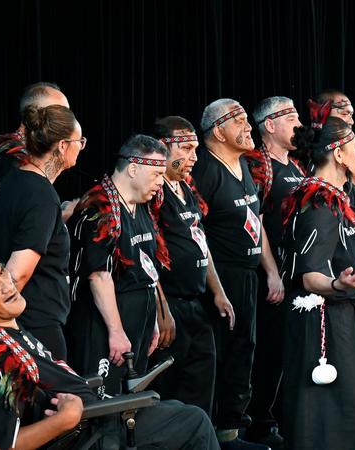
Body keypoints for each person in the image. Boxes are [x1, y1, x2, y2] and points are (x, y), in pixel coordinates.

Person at [0, 251, 219, 450]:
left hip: (97, 415)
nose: (7, 285)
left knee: (177, 409)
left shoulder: (6, 331)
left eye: (2, 272)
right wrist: (66, 419)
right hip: (90, 431)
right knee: (194, 421)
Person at [279, 117, 355, 449]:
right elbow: (310, 275)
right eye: (353, 144)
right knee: (333, 417)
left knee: (351, 413)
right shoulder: (319, 201)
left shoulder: (339, 196)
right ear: (337, 153)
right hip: (327, 323)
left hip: (346, 313)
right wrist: (339, 285)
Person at [65, 135, 170, 396]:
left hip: (138, 318)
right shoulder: (99, 206)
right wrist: (116, 330)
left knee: (133, 398)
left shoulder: (142, 206)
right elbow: (98, 276)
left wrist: (152, 319)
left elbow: (147, 266)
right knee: (106, 399)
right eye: (157, 173)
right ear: (133, 168)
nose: (161, 182)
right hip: (105, 322)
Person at [190, 99, 268, 449]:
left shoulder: (243, 166)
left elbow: (256, 221)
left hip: (248, 276)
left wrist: (273, 272)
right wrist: (216, 286)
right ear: (218, 129)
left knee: (244, 352)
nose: (248, 124)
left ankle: (233, 430)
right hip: (220, 278)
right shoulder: (205, 170)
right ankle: (214, 433)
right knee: (221, 354)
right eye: (238, 119)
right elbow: (193, 232)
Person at [0, 104, 85, 360]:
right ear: (62, 146)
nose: (81, 146)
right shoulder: (42, 195)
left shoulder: (12, 180)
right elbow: (19, 272)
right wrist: (0, 322)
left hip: (17, 323)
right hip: (34, 326)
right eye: (79, 141)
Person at [148, 116, 235, 419]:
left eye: (196, 149)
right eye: (185, 148)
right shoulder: (152, 193)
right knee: (169, 390)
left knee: (202, 386)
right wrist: (161, 309)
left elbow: (201, 243)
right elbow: (146, 256)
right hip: (170, 305)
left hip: (196, 304)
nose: (194, 158)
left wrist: (219, 292)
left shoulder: (188, 189)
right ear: (162, 148)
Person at [244, 97, 305, 448]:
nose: (298, 123)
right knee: (269, 352)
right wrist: (271, 272)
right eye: (291, 117)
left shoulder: (296, 166)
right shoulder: (259, 165)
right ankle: (260, 424)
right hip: (274, 276)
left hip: (298, 274)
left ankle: (283, 416)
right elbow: (259, 221)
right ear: (270, 124)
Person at [0, 82, 77, 225]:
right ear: (36, 114)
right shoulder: (10, 160)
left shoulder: (34, 158)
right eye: (60, 112)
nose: (67, 121)